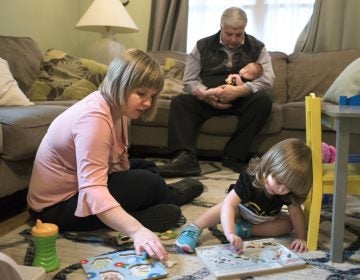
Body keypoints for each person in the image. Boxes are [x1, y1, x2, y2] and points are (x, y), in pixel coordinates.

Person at [27, 49, 204, 261]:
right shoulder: (93, 120)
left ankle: (162, 195)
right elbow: (93, 191)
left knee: (145, 168)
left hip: (76, 187)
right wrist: (137, 231)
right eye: (141, 93)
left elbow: (118, 158)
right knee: (148, 183)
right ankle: (168, 197)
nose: (148, 102)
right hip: (54, 210)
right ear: (120, 83)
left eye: (152, 96)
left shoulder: (116, 107)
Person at [157, 7, 275, 177]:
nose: (233, 39)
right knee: (180, 102)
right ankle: (185, 158)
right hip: (208, 97)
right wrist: (207, 95)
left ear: (244, 29)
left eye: (239, 34)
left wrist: (240, 91)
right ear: (221, 26)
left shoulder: (258, 47)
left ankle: (234, 156)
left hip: (241, 99)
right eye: (229, 34)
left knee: (263, 101)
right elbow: (189, 80)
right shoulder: (202, 45)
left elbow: (268, 79)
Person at [175, 138, 313, 254]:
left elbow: (296, 213)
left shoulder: (286, 192)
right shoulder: (250, 177)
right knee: (224, 207)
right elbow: (229, 205)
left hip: (264, 219)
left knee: (289, 224)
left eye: (287, 187)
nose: (280, 188)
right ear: (268, 166)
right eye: (278, 181)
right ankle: (194, 228)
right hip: (240, 210)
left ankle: (245, 229)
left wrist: (301, 237)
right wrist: (230, 234)